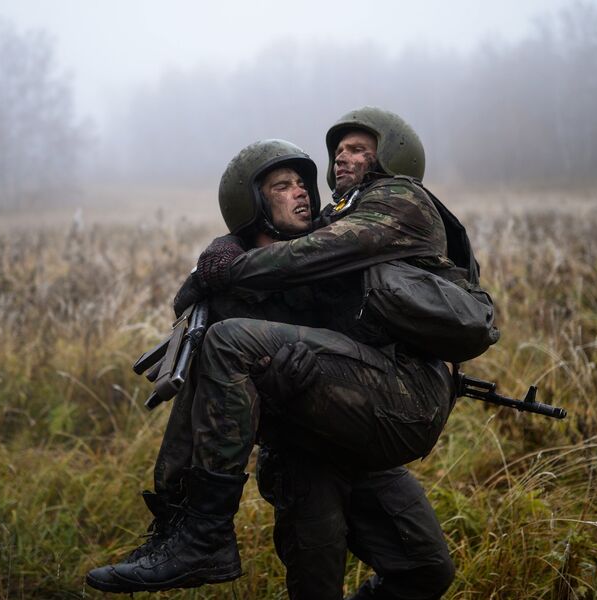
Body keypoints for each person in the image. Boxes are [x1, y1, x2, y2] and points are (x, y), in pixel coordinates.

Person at [87, 107, 492, 595]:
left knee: (428, 570)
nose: (302, 189)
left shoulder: (339, 241)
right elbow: (213, 406)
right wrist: (277, 387)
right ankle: (200, 535)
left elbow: (346, 300)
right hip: (304, 458)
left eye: (303, 182)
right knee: (316, 585)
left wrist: (323, 367)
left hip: (358, 445)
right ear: (252, 203)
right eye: (282, 186)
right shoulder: (233, 285)